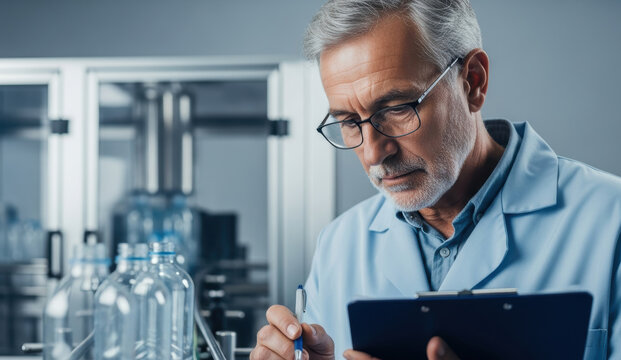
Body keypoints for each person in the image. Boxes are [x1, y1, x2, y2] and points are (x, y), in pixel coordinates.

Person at [251, 0, 621, 359]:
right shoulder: (340, 245)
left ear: (473, 82)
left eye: (396, 109)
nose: (373, 153)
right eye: (349, 123)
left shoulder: (610, 221)